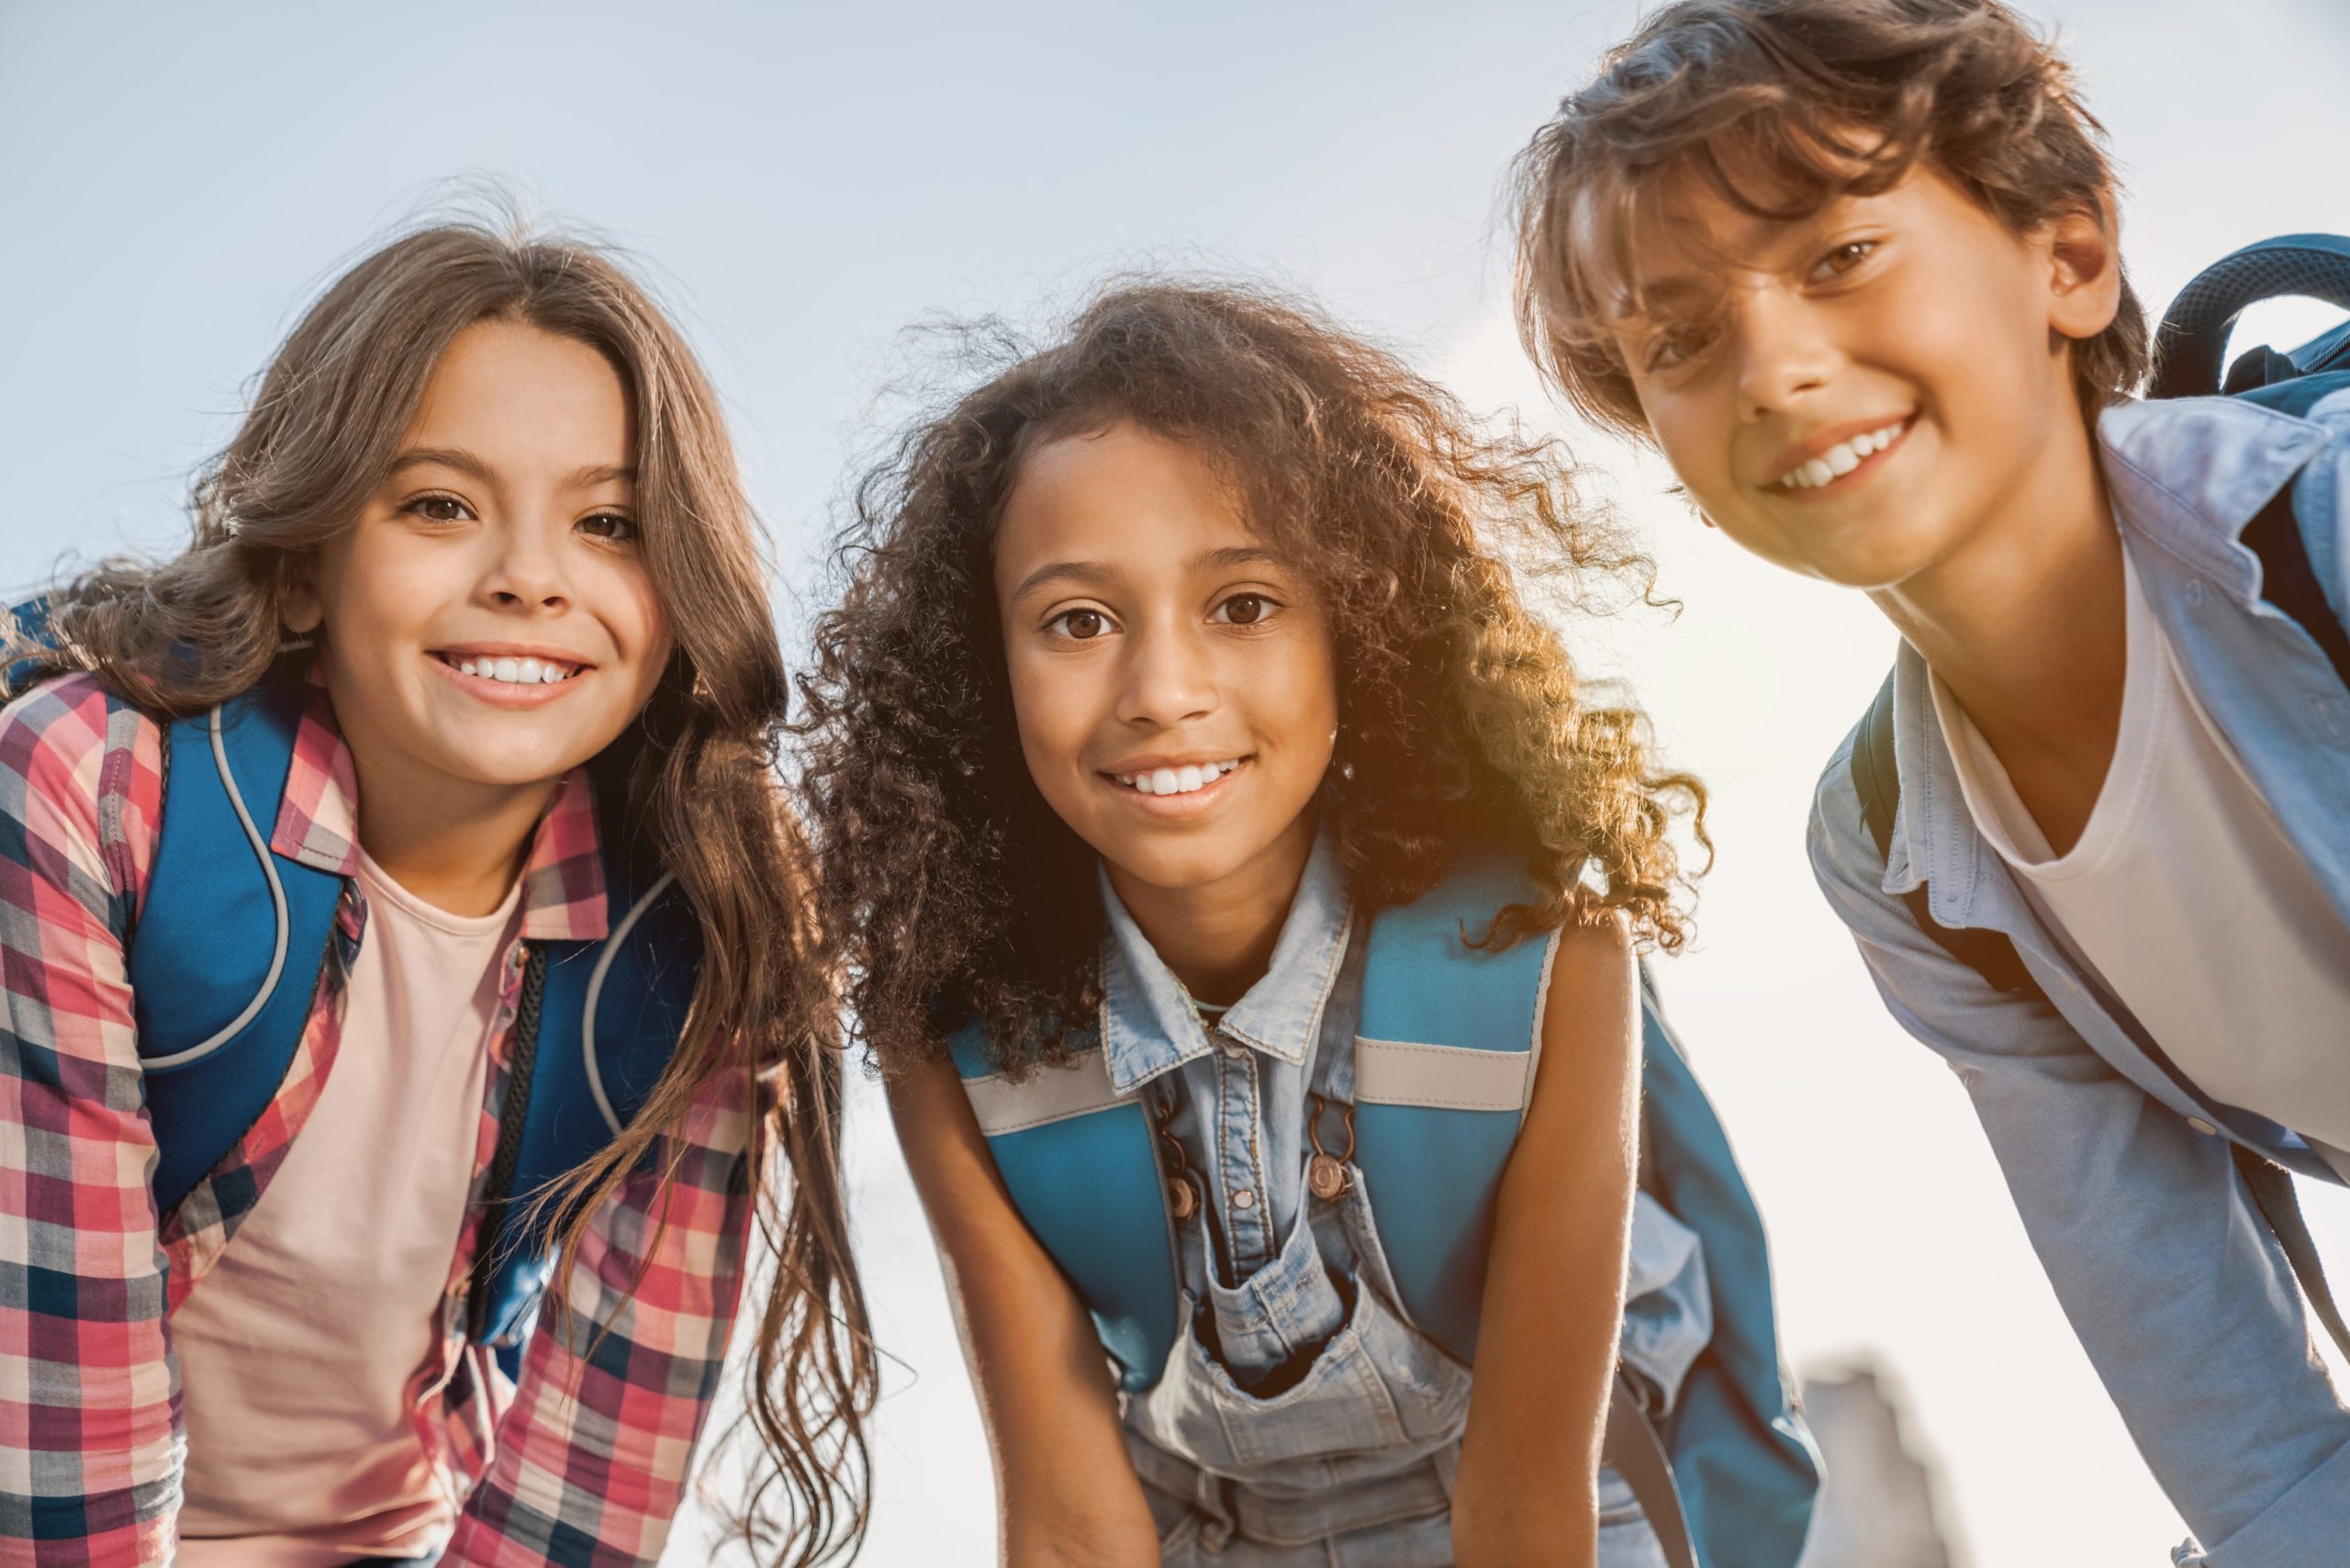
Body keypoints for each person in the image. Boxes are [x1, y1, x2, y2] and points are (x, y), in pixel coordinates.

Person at [789, 279, 1808, 1566]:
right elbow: (1067, 1516)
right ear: (982, 673)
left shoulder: (1547, 964)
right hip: (1207, 1532)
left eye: (1244, 605)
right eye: (1078, 622)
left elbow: (1525, 1506)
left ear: (1363, 631)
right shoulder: (957, 1042)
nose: (1163, 691)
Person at [1512, 1, 2350, 1559]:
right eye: (1680, 341)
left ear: (2069, 254)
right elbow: (2262, 1464)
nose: (1770, 365)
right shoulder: (1897, 848)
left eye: (1838, 256)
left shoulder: (2330, 532)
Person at [0, 219, 874, 1567]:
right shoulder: (91, 787)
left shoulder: (708, 926)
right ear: (303, 571)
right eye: (440, 505)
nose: (530, 576)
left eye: (609, 524)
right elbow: (56, 1425)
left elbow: (590, 1482)